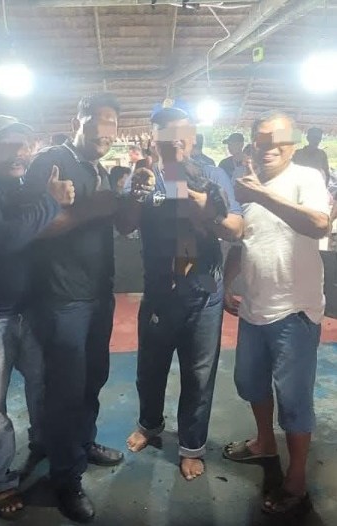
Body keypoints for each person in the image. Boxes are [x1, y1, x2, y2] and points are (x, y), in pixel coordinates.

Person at [0, 115, 74, 520]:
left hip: (28, 311)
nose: (18, 153)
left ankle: (42, 443)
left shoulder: (22, 187)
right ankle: (0, 481)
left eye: (24, 144)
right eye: (6, 146)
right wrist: (51, 202)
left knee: (42, 388)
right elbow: (2, 239)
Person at [120, 103, 243, 482]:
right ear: (153, 138)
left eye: (181, 135)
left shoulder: (212, 175)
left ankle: (192, 446)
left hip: (204, 292)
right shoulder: (143, 177)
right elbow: (124, 226)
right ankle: (149, 424)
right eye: (165, 135)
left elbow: (236, 229)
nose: (174, 142)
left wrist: (209, 210)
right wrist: (135, 194)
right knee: (150, 369)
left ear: (191, 138)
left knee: (199, 375)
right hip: (159, 291)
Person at [24, 92, 128, 523]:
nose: (107, 130)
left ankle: (82, 443)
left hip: (97, 295)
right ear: (77, 121)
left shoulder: (97, 169)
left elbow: (115, 221)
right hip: (61, 298)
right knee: (66, 391)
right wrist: (91, 207)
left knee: (92, 380)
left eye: (113, 123)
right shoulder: (50, 162)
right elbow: (34, 228)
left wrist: (124, 199)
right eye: (98, 120)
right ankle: (66, 479)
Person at [222, 111, 329, 518]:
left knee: (294, 400)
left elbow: (319, 224)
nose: (270, 148)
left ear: (293, 144)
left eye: (278, 140)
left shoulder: (306, 178)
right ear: (252, 145)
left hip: (295, 311)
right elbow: (243, 240)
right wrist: (228, 281)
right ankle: (265, 443)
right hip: (254, 308)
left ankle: (296, 480)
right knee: (250, 383)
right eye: (262, 141)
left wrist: (261, 195)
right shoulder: (245, 184)